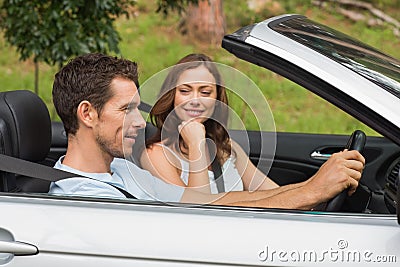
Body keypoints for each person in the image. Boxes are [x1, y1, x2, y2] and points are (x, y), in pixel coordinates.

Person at [49, 52, 365, 210]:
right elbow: (198, 216)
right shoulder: (86, 199)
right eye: (125, 110)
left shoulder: (122, 168)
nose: (139, 122)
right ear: (87, 114)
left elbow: (213, 202)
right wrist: (310, 191)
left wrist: (312, 187)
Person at [141, 53, 365, 204]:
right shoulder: (157, 156)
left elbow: (268, 192)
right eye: (185, 90)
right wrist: (197, 143)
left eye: (206, 92)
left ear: (217, 98)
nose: (195, 100)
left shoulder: (226, 147)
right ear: (171, 96)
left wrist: (319, 185)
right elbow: (198, 210)